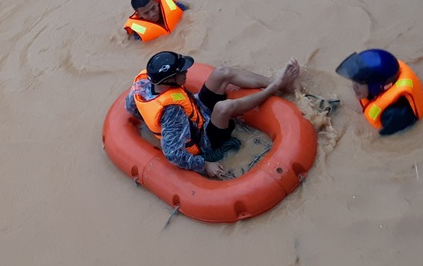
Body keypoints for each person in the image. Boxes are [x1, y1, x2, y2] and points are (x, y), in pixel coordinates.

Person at [125, 51, 300, 179]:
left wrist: (149, 119)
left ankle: (282, 84)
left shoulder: (143, 84)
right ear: (168, 80)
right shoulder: (172, 113)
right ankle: (274, 87)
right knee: (223, 108)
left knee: (222, 72)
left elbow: (131, 106)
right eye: (182, 72)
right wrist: (204, 164)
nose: (187, 72)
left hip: (197, 109)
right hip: (204, 139)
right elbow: (172, 154)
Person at [335, 49, 423, 135]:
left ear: (377, 86)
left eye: (360, 83)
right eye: (354, 80)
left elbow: (386, 142)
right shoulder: (381, 83)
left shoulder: (392, 115)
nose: (354, 86)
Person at [124, 0, 188, 42]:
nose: (152, 14)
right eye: (146, 13)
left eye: (153, 8)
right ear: (139, 15)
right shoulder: (138, 33)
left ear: (156, 2)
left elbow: (190, 12)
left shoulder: (174, 6)